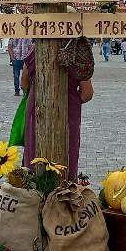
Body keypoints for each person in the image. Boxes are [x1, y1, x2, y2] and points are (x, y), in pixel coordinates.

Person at [21, 44, 94, 178]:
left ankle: (32, 192)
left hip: (36, 109)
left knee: (34, 153)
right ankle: (64, 192)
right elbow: (87, 93)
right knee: (66, 155)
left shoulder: (36, 48)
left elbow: (24, 84)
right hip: (67, 110)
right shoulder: (77, 50)